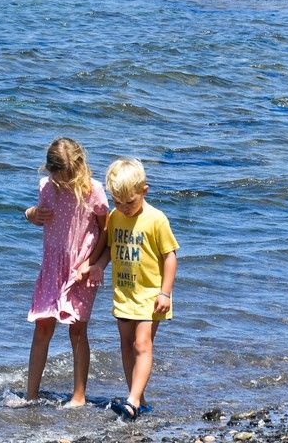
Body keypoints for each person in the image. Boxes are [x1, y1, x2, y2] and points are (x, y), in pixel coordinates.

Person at [23, 137, 109, 407]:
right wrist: (31, 214)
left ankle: (79, 395)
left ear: (80, 167)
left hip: (81, 268)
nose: (64, 183)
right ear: (49, 170)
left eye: (69, 177)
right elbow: (37, 215)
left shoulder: (93, 190)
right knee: (42, 326)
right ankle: (31, 394)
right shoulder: (46, 187)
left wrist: (93, 263)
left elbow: (106, 231)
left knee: (77, 330)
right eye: (59, 177)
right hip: (52, 266)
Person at [100, 157, 179, 422]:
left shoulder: (156, 219)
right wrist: (96, 267)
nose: (123, 207)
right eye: (117, 201)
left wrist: (165, 292)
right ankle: (139, 397)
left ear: (144, 190)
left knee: (142, 343)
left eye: (129, 202)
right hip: (123, 293)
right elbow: (110, 249)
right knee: (126, 345)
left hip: (150, 295)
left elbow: (170, 257)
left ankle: (132, 401)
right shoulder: (115, 217)